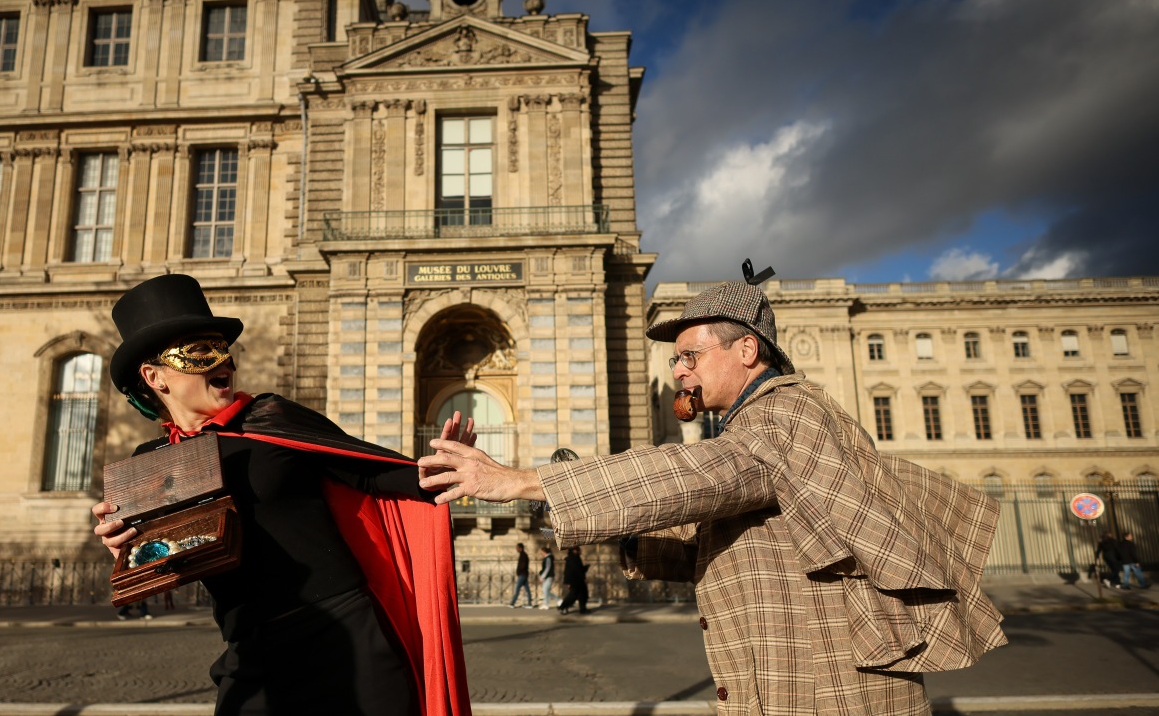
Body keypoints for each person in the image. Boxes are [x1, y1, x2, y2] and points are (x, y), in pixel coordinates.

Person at [421, 279, 1007, 714]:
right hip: (796, 680)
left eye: (690, 356)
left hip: (830, 690)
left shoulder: (785, 413)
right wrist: (582, 494)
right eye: (676, 358)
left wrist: (520, 480)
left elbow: (704, 474)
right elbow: (705, 544)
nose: (678, 371)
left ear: (746, 351)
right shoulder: (754, 426)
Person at [92, 274, 474, 716]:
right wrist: (121, 541)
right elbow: (160, 559)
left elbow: (371, 474)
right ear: (154, 376)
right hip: (251, 655)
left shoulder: (270, 418)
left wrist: (443, 470)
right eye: (199, 352)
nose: (224, 363)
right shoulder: (148, 465)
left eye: (223, 350)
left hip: (347, 642)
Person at [557, 547, 589, 615]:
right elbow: (574, 571)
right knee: (573, 596)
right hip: (575, 581)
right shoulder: (572, 559)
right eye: (578, 550)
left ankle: (583, 609)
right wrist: (569, 582)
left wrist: (585, 568)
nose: (580, 551)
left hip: (578, 580)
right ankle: (562, 607)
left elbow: (579, 569)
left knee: (582, 595)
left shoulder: (576, 558)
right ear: (574, 550)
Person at [508, 542, 533, 608]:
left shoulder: (524, 555)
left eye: (517, 547)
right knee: (527, 590)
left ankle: (512, 603)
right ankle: (530, 603)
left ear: (520, 548)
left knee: (517, 589)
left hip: (522, 574)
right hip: (523, 574)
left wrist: (518, 572)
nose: (516, 549)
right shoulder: (523, 555)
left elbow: (523, 565)